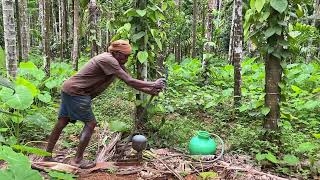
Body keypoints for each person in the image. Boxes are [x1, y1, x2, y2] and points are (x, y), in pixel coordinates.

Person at [43, 40, 165, 168]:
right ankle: (77, 160)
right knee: (90, 123)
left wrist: (150, 90)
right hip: (77, 92)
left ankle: (47, 155)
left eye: (129, 56)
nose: (127, 59)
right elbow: (130, 81)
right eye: (125, 56)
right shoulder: (108, 60)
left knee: (62, 122)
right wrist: (153, 84)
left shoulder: (116, 63)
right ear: (117, 53)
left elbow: (130, 81)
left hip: (71, 89)